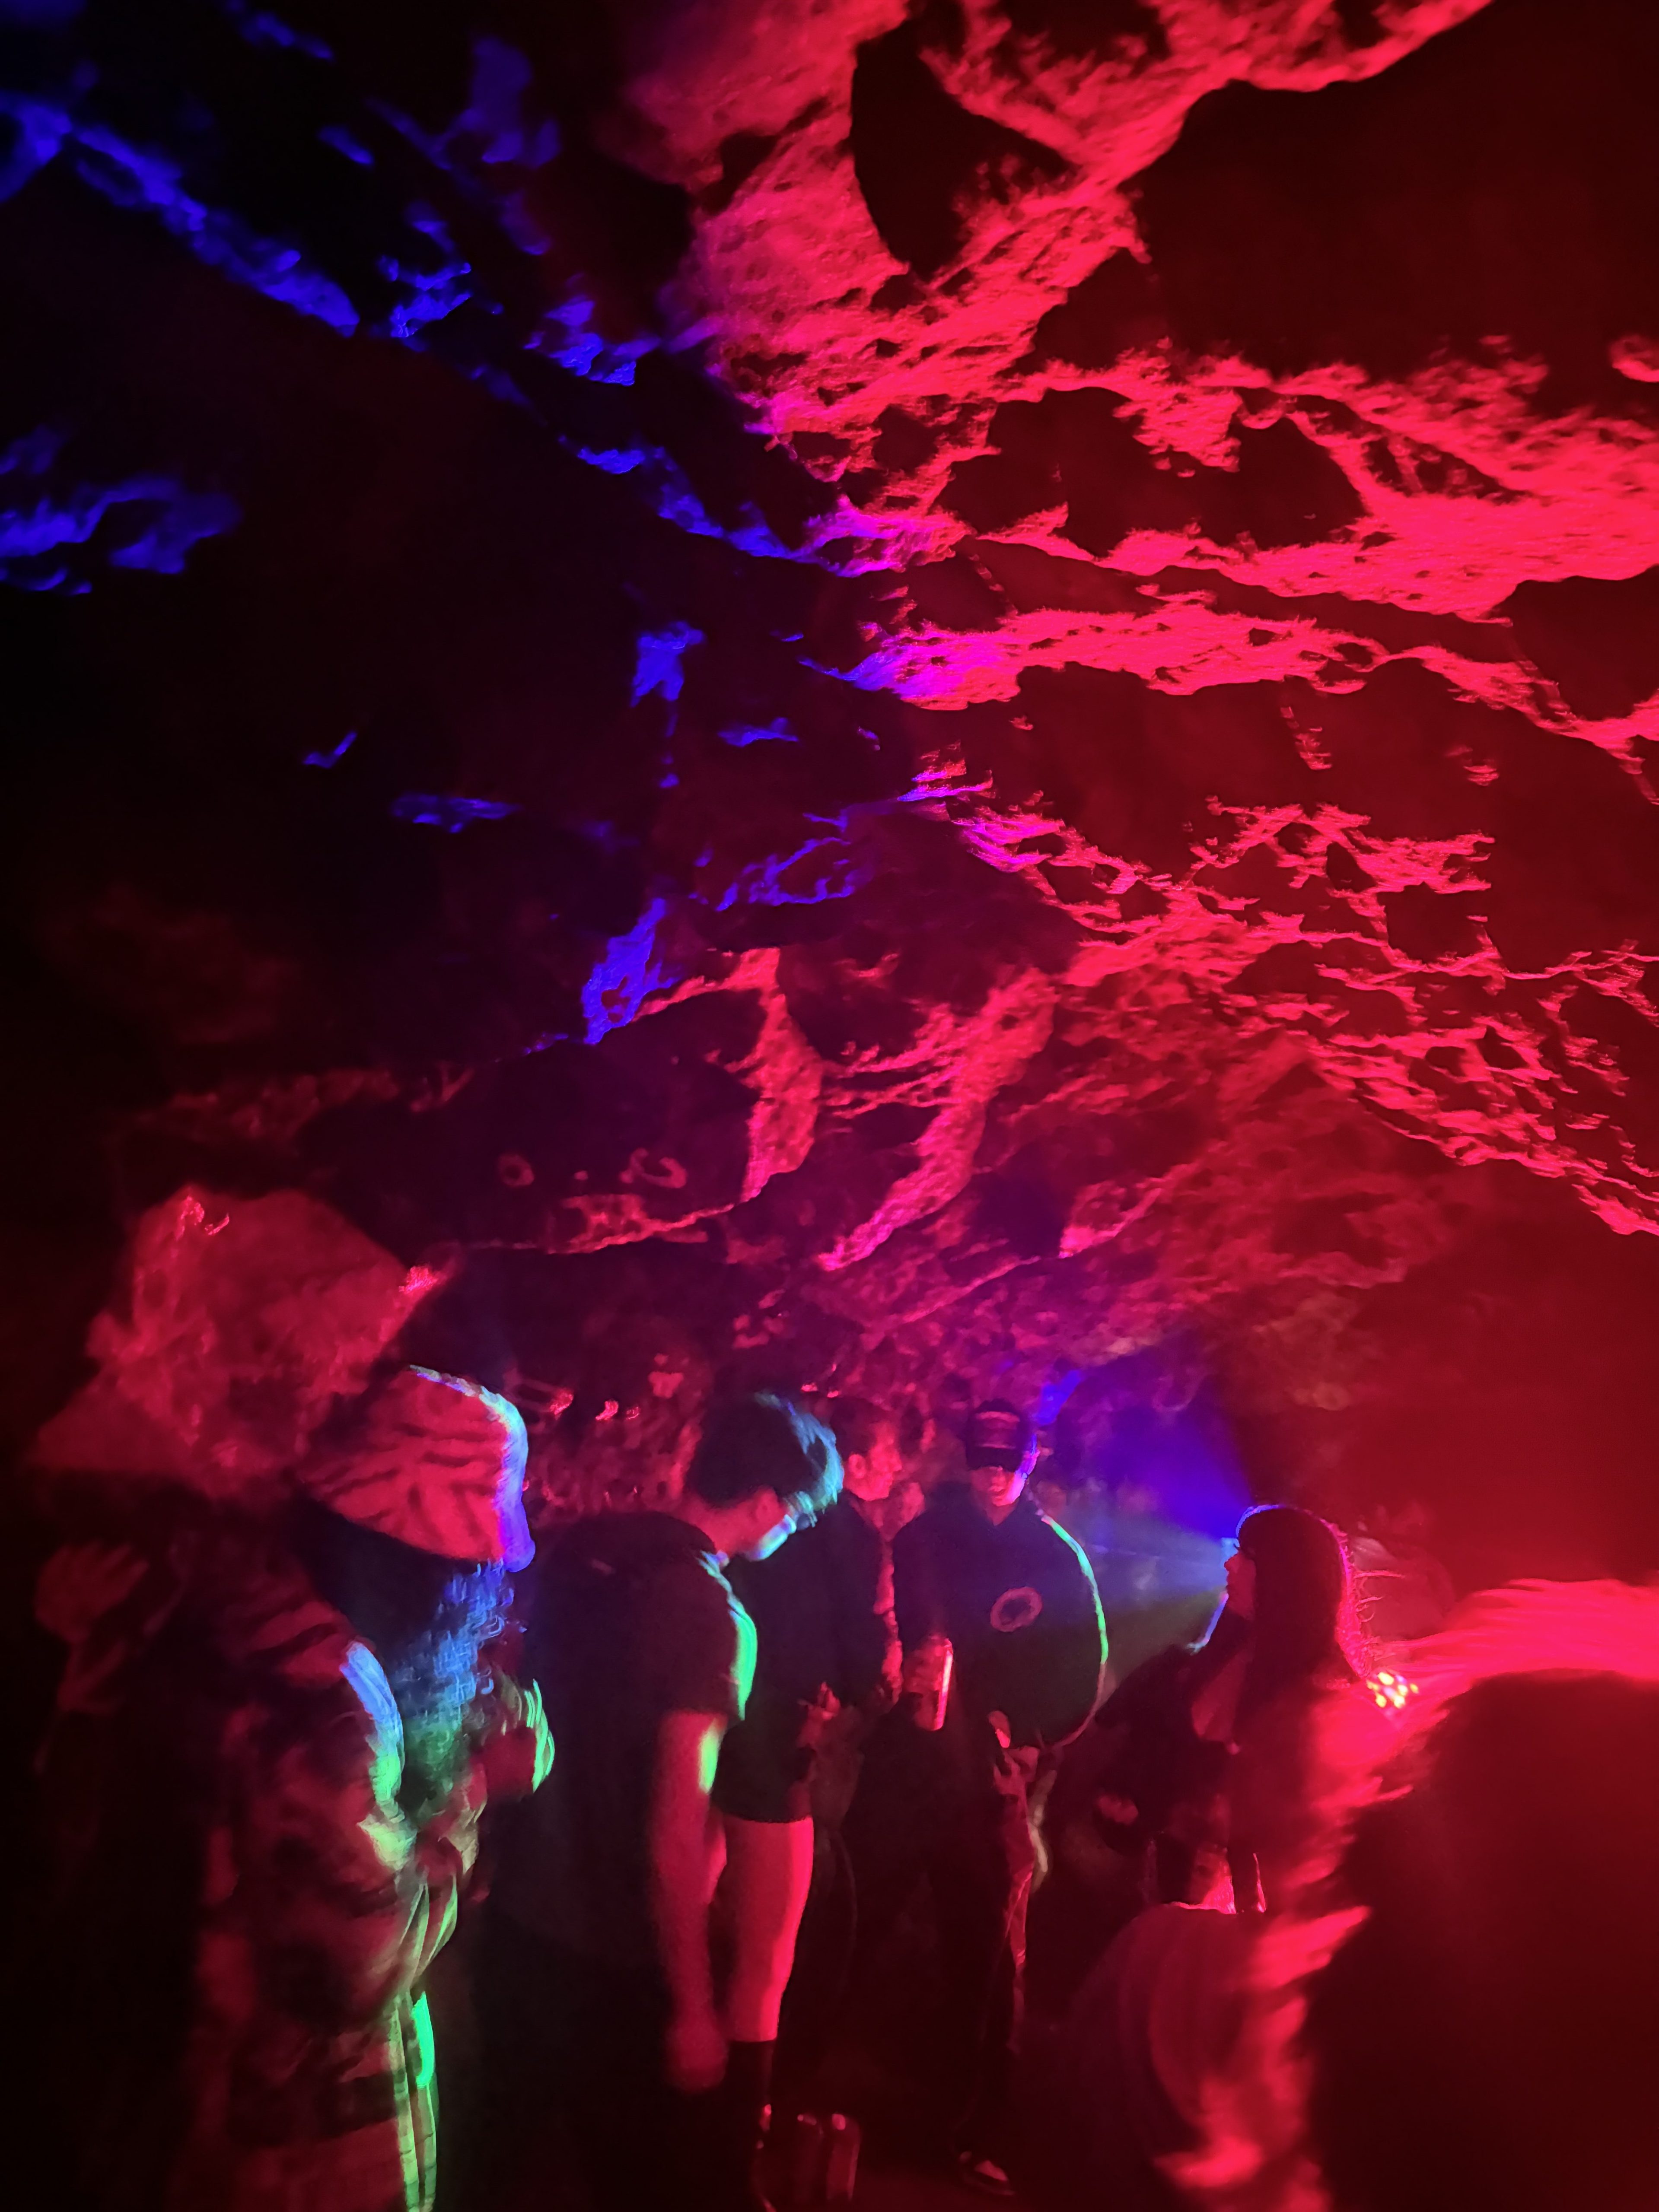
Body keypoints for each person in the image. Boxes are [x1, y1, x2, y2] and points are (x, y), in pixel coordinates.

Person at [29, 1363, 549, 2212]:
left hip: (194, 2101)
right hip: (290, 2146)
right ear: (431, 1569)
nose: (489, 1596)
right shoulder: (330, 1695)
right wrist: (477, 1789)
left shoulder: (249, 1627)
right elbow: (361, 1967)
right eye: (478, 1570)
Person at [478, 1390, 840, 2212]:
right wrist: (692, 2005)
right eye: (799, 1516)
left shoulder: (580, 1551)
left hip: (515, 1923)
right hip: (610, 1959)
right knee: (639, 2182)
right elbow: (676, 1827)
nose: (791, 1532)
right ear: (767, 1505)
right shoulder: (713, 1616)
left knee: (488, 2163)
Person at [1021, 1504, 1375, 2212]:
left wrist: (1221, 1829)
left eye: (1246, 1557)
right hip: (1130, 1904)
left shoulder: (1329, 1702)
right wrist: (1112, 1805)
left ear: (1286, 1579)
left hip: (1229, 1949)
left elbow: (1323, 1849)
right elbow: (1119, 1745)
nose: (1228, 1566)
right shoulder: (1198, 1664)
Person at [848, 1398, 1106, 2196]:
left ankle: (959, 2126)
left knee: (981, 1959)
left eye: (1009, 1459)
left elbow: (1079, 1668)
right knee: (849, 1922)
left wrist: (1028, 1736)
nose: (994, 1472)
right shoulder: (925, 1533)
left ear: (1032, 1462)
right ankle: (799, 2094)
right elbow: (886, 1626)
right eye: (984, 1457)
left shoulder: (1056, 1558)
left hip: (984, 1779)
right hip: (905, 1765)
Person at [715, 1396, 901, 2151]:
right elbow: (860, 1650)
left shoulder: (742, 1549)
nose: (895, 1471)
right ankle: (760, 2110)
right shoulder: (851, 1532)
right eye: (887, 1456)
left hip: (736, 1731)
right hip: (792, 1737)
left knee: (723, 1918)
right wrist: (880, 1686)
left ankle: (719, 2102)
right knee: (789, 1933)